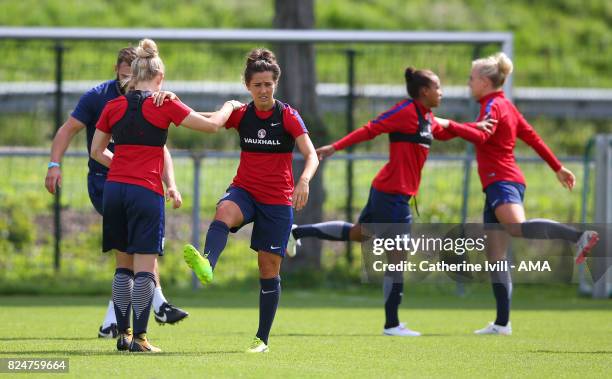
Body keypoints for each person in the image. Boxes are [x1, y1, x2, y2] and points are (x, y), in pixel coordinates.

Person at [291, 67, 494, 337]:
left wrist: (475, 128)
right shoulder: (405, 112)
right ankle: (391, 324)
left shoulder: (427, 118)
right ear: (424, 91)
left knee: (357, 234)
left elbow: (448, 129)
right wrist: (334, 147)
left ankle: (297, 231)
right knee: (398, 256)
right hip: (392, 195)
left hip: (389, 192)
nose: (441, 92)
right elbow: (370, 129)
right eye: (438, 87)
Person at [435, 52, 599, 335]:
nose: (468, 83)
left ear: (485, 82)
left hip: (502, 180)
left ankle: (577, 237)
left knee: (517, 228)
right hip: (496, 184)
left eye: (471, 78)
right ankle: (502, 324)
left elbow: (481, 134)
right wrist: (557, 167)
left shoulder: (494, 107)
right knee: (496, 257)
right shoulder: (501, 106)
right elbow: (531, 137)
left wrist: (447, 124)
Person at [91, 38, 239, 352]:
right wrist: (230, 106)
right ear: (159, 77)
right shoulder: (164, 102)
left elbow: (95, 150)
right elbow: (213, 125)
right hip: (145, 191)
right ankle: (141, 340)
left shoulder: (113, 106)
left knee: (122, 267)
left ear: (132, 75)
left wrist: (123, 165)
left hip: (114, 190)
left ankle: (123, 335)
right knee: (145, 268)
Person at [44, 46, 188, 338]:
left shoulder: (152, 99)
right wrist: (54, 163)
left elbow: (160, 148)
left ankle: (117, 325)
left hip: (125, 182)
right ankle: (148, 314)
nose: (128, 83)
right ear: (117, 71)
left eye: (131, 76)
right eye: (124, 77)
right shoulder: (100, 98)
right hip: (105, 181)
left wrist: (170, 182)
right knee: (136, 253)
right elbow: (67, 130)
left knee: (131, 255)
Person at [183, 48, 319, 353]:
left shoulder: (287, 116)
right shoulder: (241, 114)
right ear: (248, 86)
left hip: (277, 199)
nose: (263, 90)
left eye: (268, 84)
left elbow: (310, 154)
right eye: (257, 85)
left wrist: (304, 180)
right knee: (224, 211)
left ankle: (262, 339)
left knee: (268, 268)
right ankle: (207, 263)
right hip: (245, 190)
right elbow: (209, 119)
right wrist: (172, 110)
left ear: (276, 84)